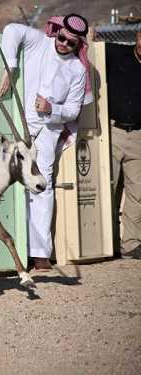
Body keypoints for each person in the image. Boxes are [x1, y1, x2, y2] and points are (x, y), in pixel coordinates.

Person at [0, 14, 92, 271]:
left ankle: (39, 255)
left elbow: (73, 110)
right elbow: (11, 29)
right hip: (19, 126)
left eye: (71, 43)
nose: (63, 44)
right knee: (7, 182)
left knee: (41, 187)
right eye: (61, 38)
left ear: (78, 45)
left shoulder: (77, 69)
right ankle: (5, 255)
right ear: (57, 31)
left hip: (48, 132)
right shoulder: (38, 42)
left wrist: (53, 108)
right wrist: (10, 66)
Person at [107, 30, 141, 259]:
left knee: (138, 194)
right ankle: (106, 244)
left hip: (138, 135)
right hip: (113, 132)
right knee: (107, 189)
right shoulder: (116, 53)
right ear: (138, 37)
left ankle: (131, 245)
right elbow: (89, 48)